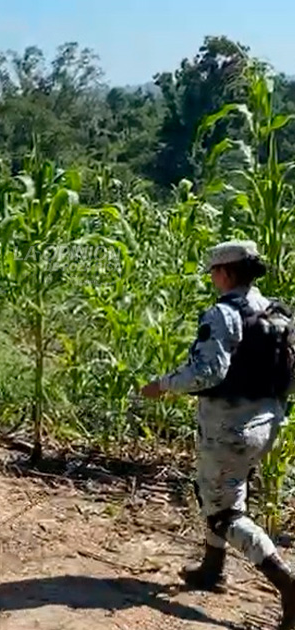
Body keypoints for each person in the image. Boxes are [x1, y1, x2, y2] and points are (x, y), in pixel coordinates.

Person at [141, 239, 295, 628]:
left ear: (225, 272)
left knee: (225, 512)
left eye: (213, 271)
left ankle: (287, 582)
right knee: (221, 492)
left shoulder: (224, 313)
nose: (212, 278)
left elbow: (207, 372)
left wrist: (162, 384)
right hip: (268, 420)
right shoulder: (276, 311)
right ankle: (212, 569)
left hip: (230, 425)